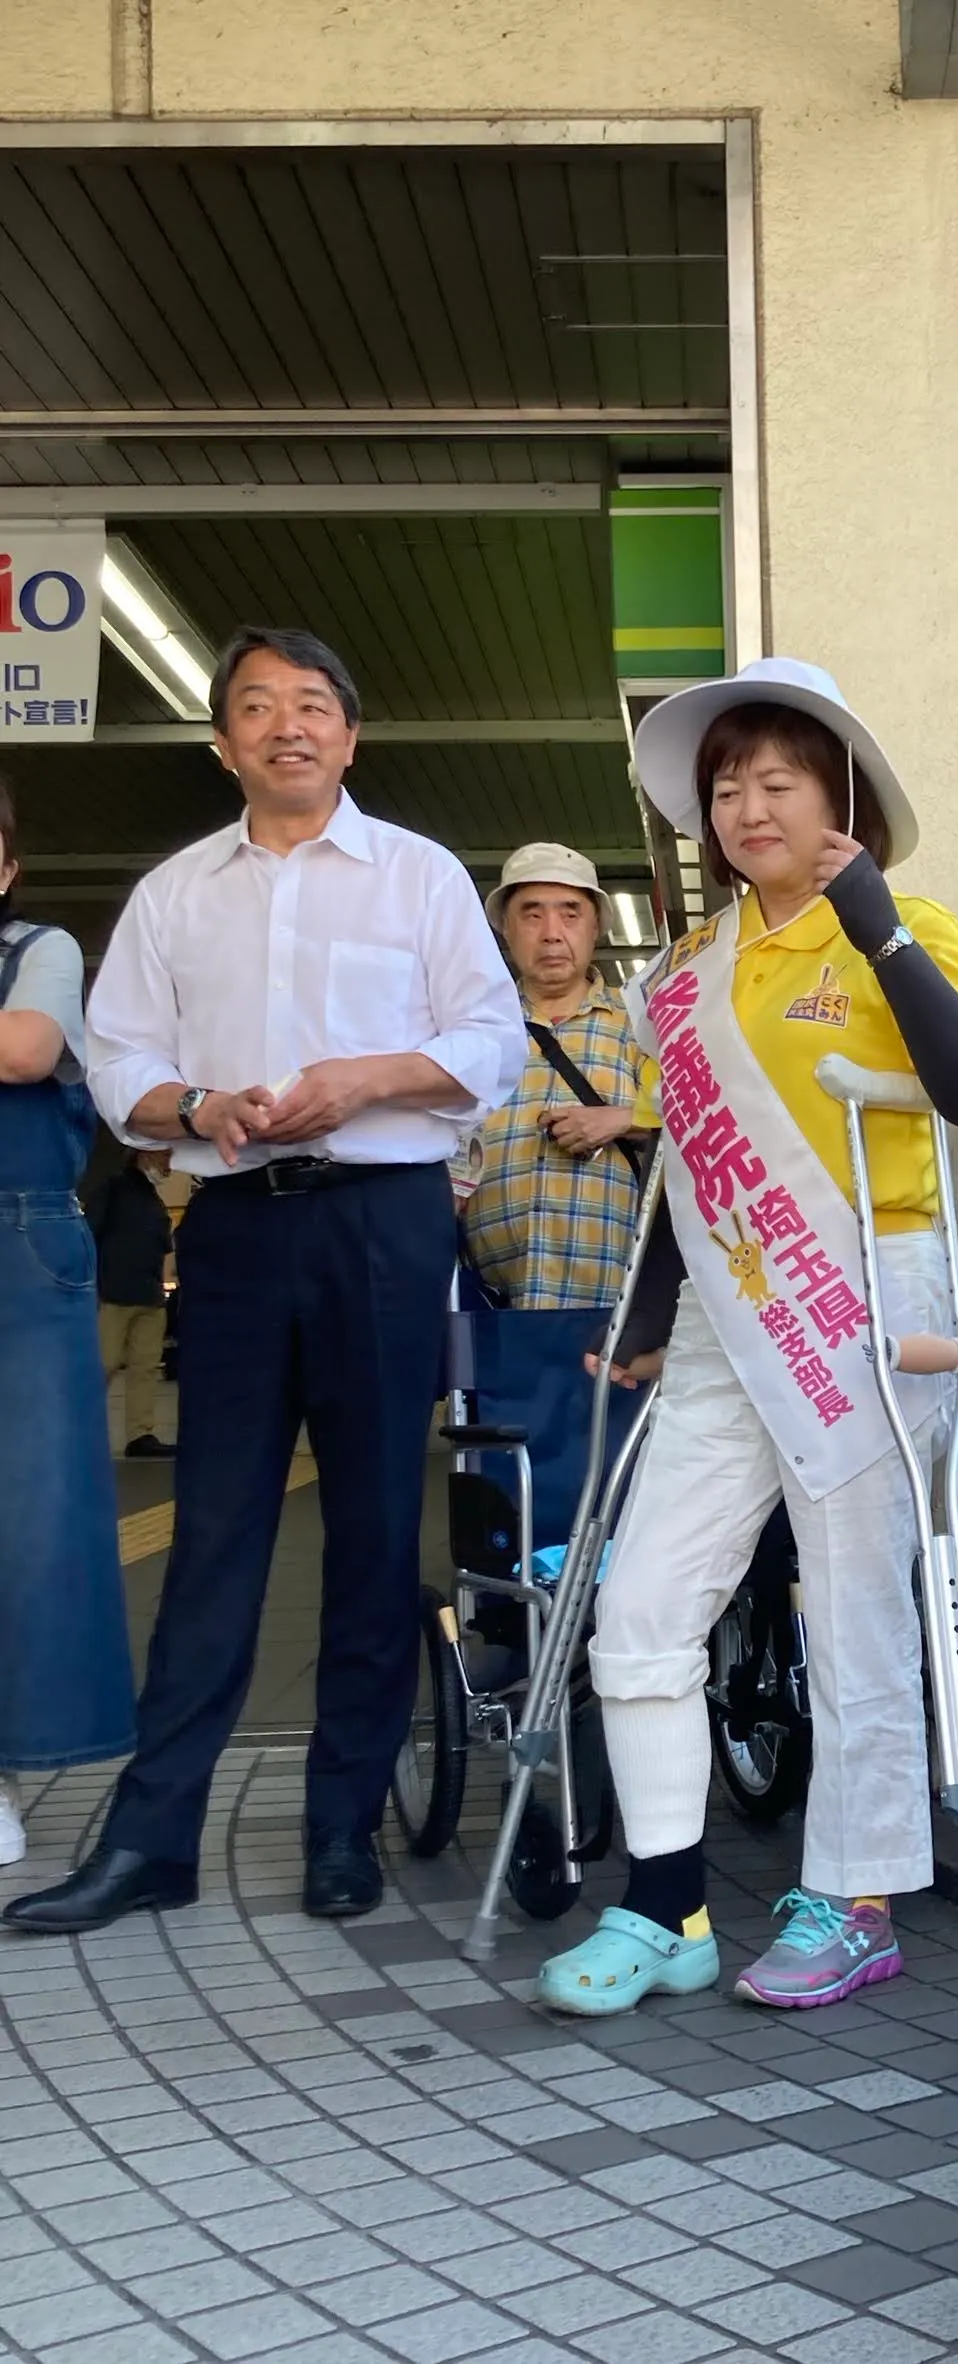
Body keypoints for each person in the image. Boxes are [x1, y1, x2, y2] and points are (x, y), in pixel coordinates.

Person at [3, 626, 526, 1937]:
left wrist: (365, 1078)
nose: (284, 725)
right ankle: (152, 1839)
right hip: (234, 1225)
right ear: (224, 742)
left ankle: (340, 1830)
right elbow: (119, 1062)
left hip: (386, 1219)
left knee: (364, 1525)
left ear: (349, 735)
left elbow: (489, 1039)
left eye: (310, 704)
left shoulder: (416, 878)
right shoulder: (179, 892)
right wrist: (198, 1102)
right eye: (254, 707)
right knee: (215, 1533)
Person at [535, 656, 958, 2016]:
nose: (747, 806)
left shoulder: (906, 921)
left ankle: (853, 1897)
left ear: (837, 798)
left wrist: (873, 922)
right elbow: (688, 1170)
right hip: (716, 1322)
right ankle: (664, 1901)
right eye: (727, 785)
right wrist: (638, 1321)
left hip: (867, 1303)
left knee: (855, 1611)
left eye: (777, 780)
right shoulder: (685, 971)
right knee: (640, 1612)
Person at [0, 779, 136, 1870]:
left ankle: (5, 1768)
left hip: (21, 1246)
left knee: (28, 1515)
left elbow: (26, 1051)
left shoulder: (41, 948)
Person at [462, 845, 649, 1545]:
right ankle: (521, 1625)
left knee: (612, 1470)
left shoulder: (640, 1027)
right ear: (505, 931)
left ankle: (610, 1621)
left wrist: (622, 1117)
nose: (550, 932)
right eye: (530, 913)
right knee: (513, 1480)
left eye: (569, 913)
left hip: (614, 1300)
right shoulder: (474, 1033)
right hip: (498, 1304)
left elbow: (703, 1128)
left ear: (594, 926)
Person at [87, 1147, 177, 1458]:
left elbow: (164, 1247)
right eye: (164, 1156)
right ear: (144, 1154)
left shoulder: (154, 1200)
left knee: (145, 1368)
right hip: (113, 1294)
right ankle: (76, 1428)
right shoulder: (114, 1189)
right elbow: (89, 1233)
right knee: (104, 1364)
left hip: (149, 1297)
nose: (168, 1164)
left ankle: (141, 1435)